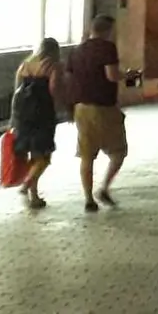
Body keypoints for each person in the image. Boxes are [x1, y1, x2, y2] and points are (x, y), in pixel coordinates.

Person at [68, 14, 127, 212]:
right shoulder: (107, 48)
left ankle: (88, 199)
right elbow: (112, 75)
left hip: (81, 107)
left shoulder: (77, 50)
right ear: (108, 30)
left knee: (87, 155)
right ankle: (104, 188)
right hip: (104, 107)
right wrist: (127, 74)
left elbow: (70, 78)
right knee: (119, 151)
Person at [12, 38, 61, 210]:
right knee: (44, 156)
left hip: (24, 115)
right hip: (43, 114)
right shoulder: (53, 66)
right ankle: (27, 184)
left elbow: (16, 92)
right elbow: (54, 89)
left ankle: (34, 197)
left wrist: (13, 118)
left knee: (34, 156)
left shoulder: (25, 64)